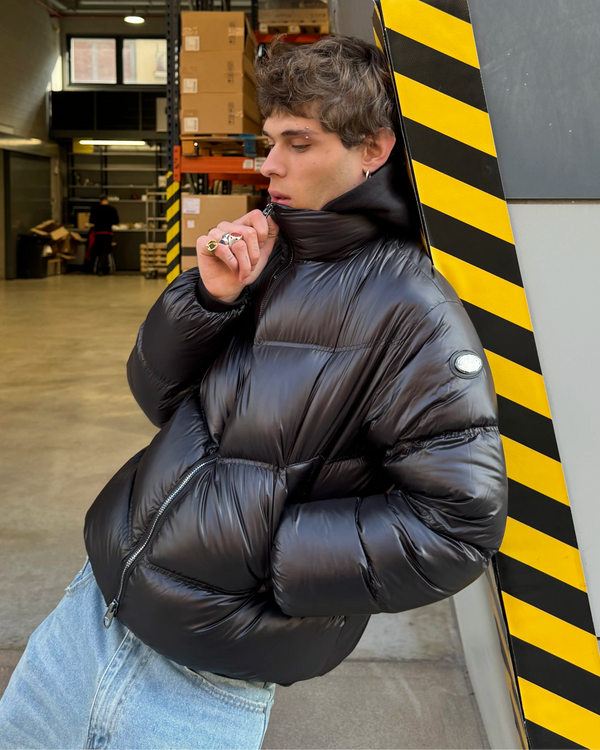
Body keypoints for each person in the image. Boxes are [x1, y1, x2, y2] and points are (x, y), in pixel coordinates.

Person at [0, 36, 508, 749]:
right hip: (92, 608)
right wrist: (208, 299)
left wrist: (263, 555)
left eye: (298, 143)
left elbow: (458, 524)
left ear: (373, 150)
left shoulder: (412, 309)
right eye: (271, 141)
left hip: (200, 678)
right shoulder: (266, 254)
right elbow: (156, 396)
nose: (269, 164)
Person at [86, 195, 119, 275]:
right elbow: (116, 221)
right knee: (105, 251)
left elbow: (91, 221)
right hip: (108, 233)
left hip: (98, 233)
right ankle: (103, 269)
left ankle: (94, 268)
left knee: (97, 250)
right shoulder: (112, 209)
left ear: (100, 201)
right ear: (108, 201)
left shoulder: (95, 209)